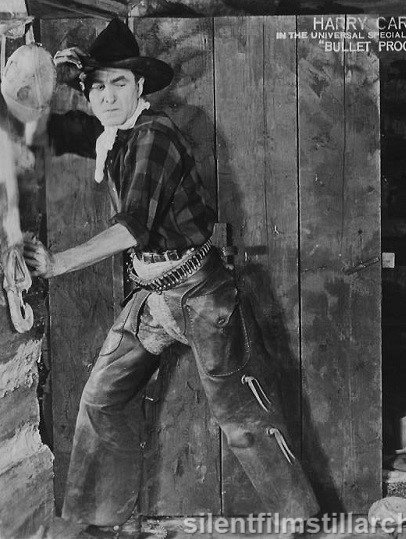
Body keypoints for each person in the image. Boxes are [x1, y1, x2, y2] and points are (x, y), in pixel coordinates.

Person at [23, 18, 318, 534]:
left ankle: (300, 522)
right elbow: (58, 129)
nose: (108, 96)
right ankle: (103, 520)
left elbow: (133, 226)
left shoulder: (153, 135)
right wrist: (42, 81)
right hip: (155, 294)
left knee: (241, 414)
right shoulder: (113, 132)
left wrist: (62, 262)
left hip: (202, 293)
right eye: (98, 87)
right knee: (102, 398)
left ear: (140, 87)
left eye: (119, 84)